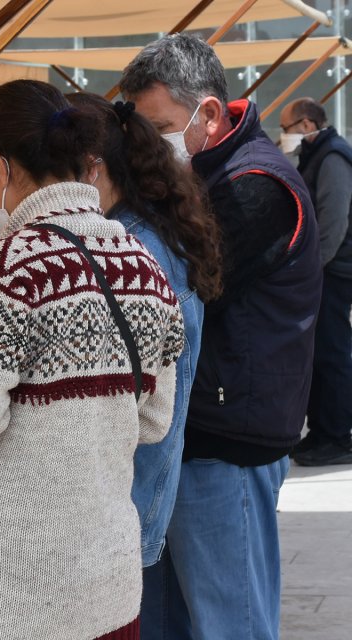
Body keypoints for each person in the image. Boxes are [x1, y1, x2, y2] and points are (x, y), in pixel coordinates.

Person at [0, 79, 185, 640]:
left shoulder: (9, 265)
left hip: (10, 595)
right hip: (106, 581)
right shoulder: (141, 263)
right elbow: (155, 419)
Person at [120, 34, 322, 639]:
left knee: (230, 626)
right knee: (165, 623)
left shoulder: (258, 184)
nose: (146, 150)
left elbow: (182, 283)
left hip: (226, 443)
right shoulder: (198, 178)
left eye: (159, 130)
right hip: (186, 435)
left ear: (208, 114)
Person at [68, 92, 225, 632]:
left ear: (89, 169)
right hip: (133, 498)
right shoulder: (146, 235)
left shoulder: (132, 251)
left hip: (124, 500)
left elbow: (137, 407)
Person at [279, 98, 352, 466]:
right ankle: (322, 432)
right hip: (327, 270)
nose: (284, 136)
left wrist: (314, 268)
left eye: (287, 128)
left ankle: (337, 437)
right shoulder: (319, 154)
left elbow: (334, 222)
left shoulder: (334, 157)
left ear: (307, 126)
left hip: (334, 272)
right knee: (321, 354)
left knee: (333, 354)